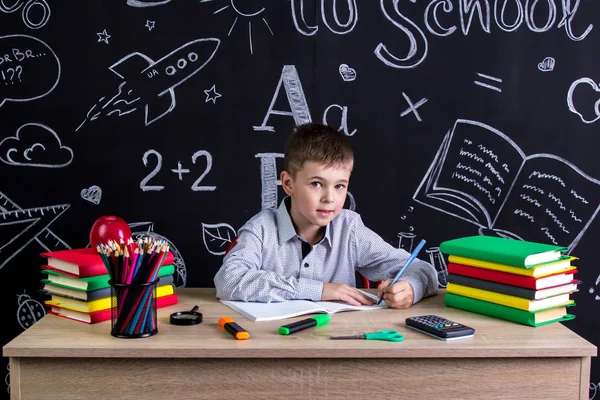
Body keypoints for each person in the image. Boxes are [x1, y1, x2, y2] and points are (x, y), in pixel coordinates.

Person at [214, 123, 438, 308]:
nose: (329, 198)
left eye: (340, 186)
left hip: (338, 347)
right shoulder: (262, 228)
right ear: (288, 183)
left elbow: (424, 270)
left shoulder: (349, 229)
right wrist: (319, 290)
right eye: (316, 184)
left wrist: (410, 287)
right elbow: (228, 281)